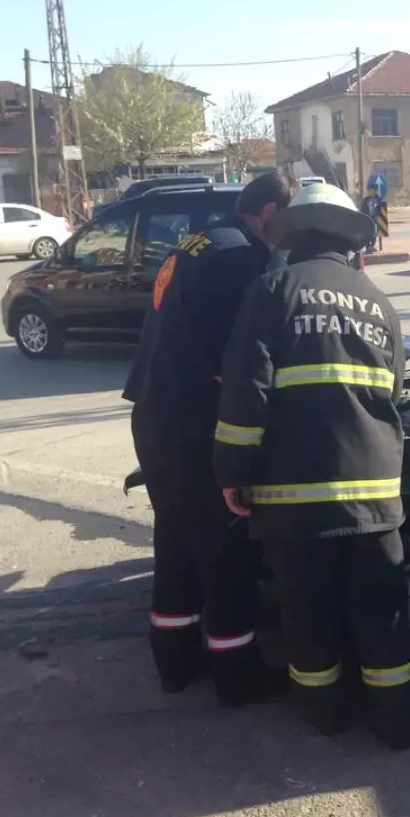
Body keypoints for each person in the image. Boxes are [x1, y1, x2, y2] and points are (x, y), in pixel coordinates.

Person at [213, 182, 410, 750]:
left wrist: (232, 473)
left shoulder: (271, 290)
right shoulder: (379, 302)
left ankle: (326, 715)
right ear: (345, 238)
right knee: (383, 613)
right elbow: (394, 391)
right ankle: (396, 722)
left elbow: (245, 397)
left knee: (307, 615)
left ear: (292, 235)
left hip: (294, 502)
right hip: (374, 498)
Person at [122, 171, 299, 707]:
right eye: (287, 221)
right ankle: (237, 674)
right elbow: (237, 363)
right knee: (227, 550)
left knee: (176, 543)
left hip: (155, 417)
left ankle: (174, 661)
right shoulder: (240, 261)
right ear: (269, 212)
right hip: (196, 424)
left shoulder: (197, 243)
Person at [361, 185, 382, 253]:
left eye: (372, 190)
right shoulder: (366, 200)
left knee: (374, 232)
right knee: (367, 233)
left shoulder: (378, 200)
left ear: (375, 191)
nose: (370, 192)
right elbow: (363, 209)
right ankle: (367, 246)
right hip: (367, 219)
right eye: (369, 190)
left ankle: (372, 245)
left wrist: (379, 217)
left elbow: (381, 210)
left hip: (375, 219)